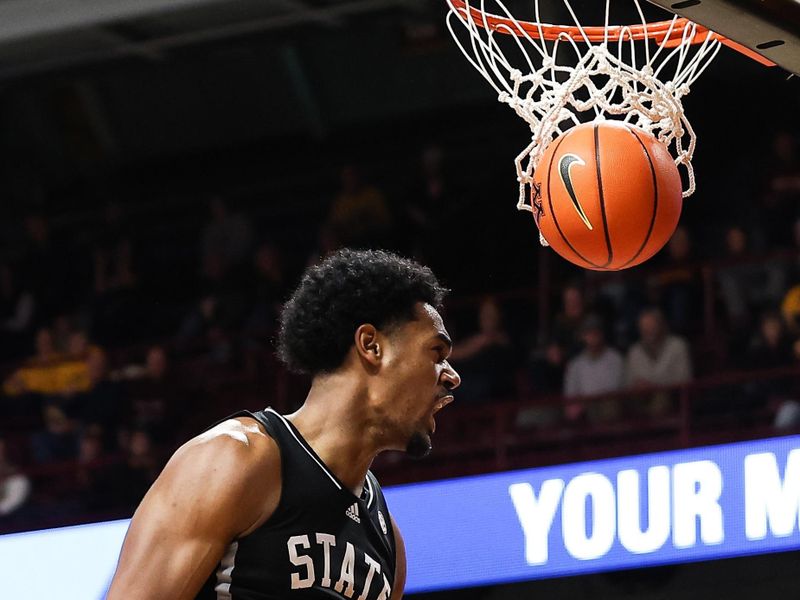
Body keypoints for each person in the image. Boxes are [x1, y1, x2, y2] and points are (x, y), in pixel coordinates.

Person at [108, 249, 461, 599]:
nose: (452, 377)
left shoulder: (389, 544)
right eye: (436, 354)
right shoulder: (232, 460)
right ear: (371, 345)